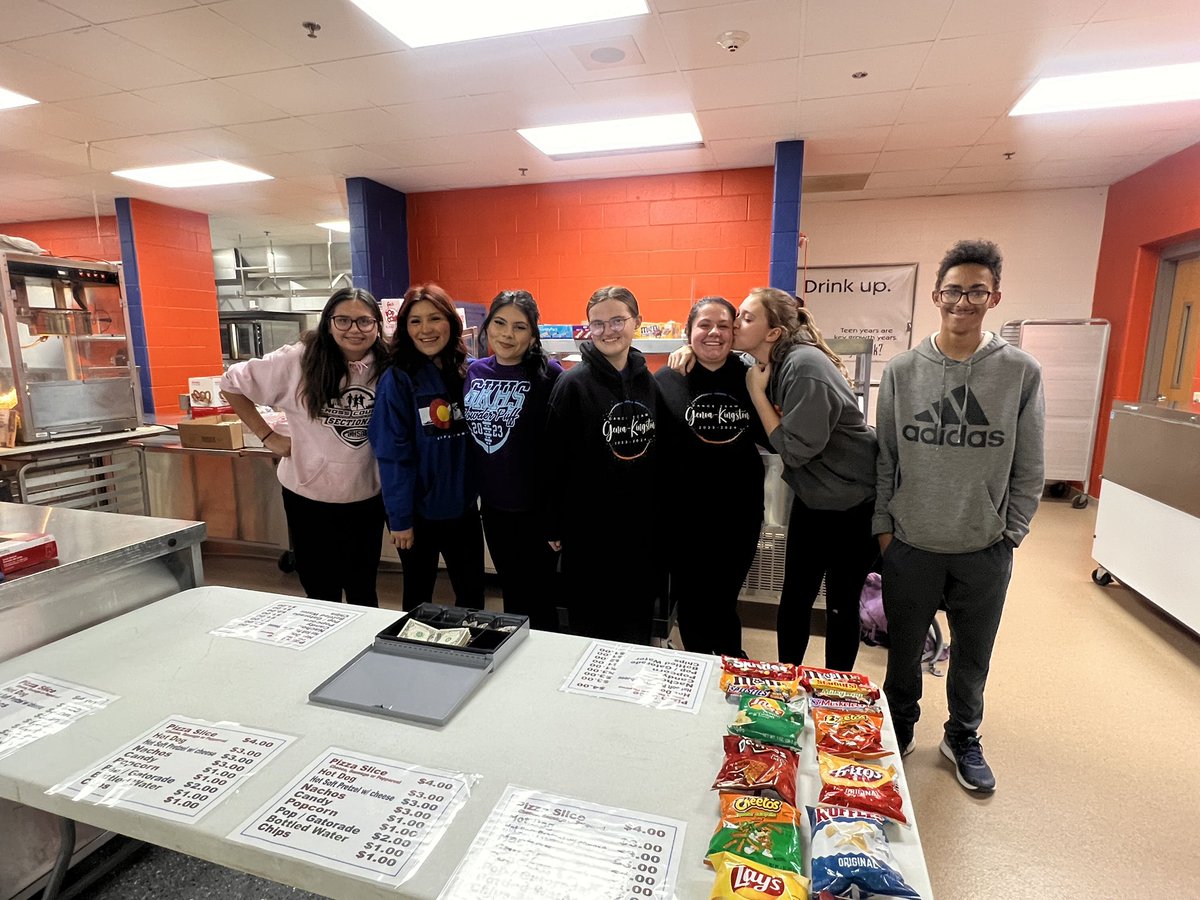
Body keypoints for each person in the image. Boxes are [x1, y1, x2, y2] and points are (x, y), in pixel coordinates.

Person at [874, 239, 1044, 794]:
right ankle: (900, 727)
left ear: (994, 297)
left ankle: (962, 735)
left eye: (976, 291)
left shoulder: (1020, 371)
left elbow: (1030, 460)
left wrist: (1010, 532)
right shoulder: (902, 370)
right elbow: (887, 459)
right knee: (904, 650)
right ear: (935, 295)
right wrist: (884, 528)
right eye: (953, 290)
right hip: (913, 541)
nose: (963, 301)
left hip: (983, 546)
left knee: (973, 654)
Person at [737, 287, 878, 671]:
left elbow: (795, 450)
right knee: (795, 597)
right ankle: (788, 680)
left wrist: (757, 394)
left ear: (773, 333)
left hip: (852, 504)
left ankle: (837, 688)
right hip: (815, 499)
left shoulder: (804, 366)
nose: (736, 323)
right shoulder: (773, 366)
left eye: (747, 317)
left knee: (840, 603)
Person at [221, 287, 387, 607]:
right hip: (308, 496)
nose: (354, 330)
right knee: (320, 591)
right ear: (327, 323)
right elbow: (231, 382)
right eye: (343, 320)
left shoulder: (386, 365)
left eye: (364, 321)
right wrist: (267, 436)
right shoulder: (298, 360)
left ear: (377, 326)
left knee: (363, 588)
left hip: (366, 495)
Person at [544, 285, 664, 645]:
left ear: (637, 323)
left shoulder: (649, 383)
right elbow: (553, 458)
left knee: (637, 619)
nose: (609, 331)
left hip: (640, 528)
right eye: (598, 324)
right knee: (593, 626)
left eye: (617, 320)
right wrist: (553, 522)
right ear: (588, 329)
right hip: (589, 529)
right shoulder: (572, 384)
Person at [655, 296, 766, 657]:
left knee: (722, 599)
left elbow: (774, 437)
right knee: (690, 604)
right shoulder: (668, 380)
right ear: (689, 333)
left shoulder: (752, 377)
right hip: (682, 518)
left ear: (735, 332)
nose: (714, 332)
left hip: (739, 514)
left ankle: (728, 665)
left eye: (723, 325)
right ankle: (706, 668)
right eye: (704, 325)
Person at [369, 283, 484, 610]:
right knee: (419, 595)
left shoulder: (468, 372)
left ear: (451, 321)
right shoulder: (399, 378)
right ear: (404, 328)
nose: (426, 329)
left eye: (434, 318)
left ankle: (470, 655)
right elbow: (392, 453)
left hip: (463, 509)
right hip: (419, 514)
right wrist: (401, 517)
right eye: (415, 321)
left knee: (472, 593)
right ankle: (415, 657)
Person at [464, 290, 564, 630]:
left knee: (540, 600)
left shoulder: (550, 376)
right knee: (511, 594)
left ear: (533, 334)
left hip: (537, 513)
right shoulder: (475, 371)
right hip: (493, 507)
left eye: (519, 327)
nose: (507, 335)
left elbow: (559, 455)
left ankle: (544, 673)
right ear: (487, 326)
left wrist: (554, 519)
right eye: (500, 323)